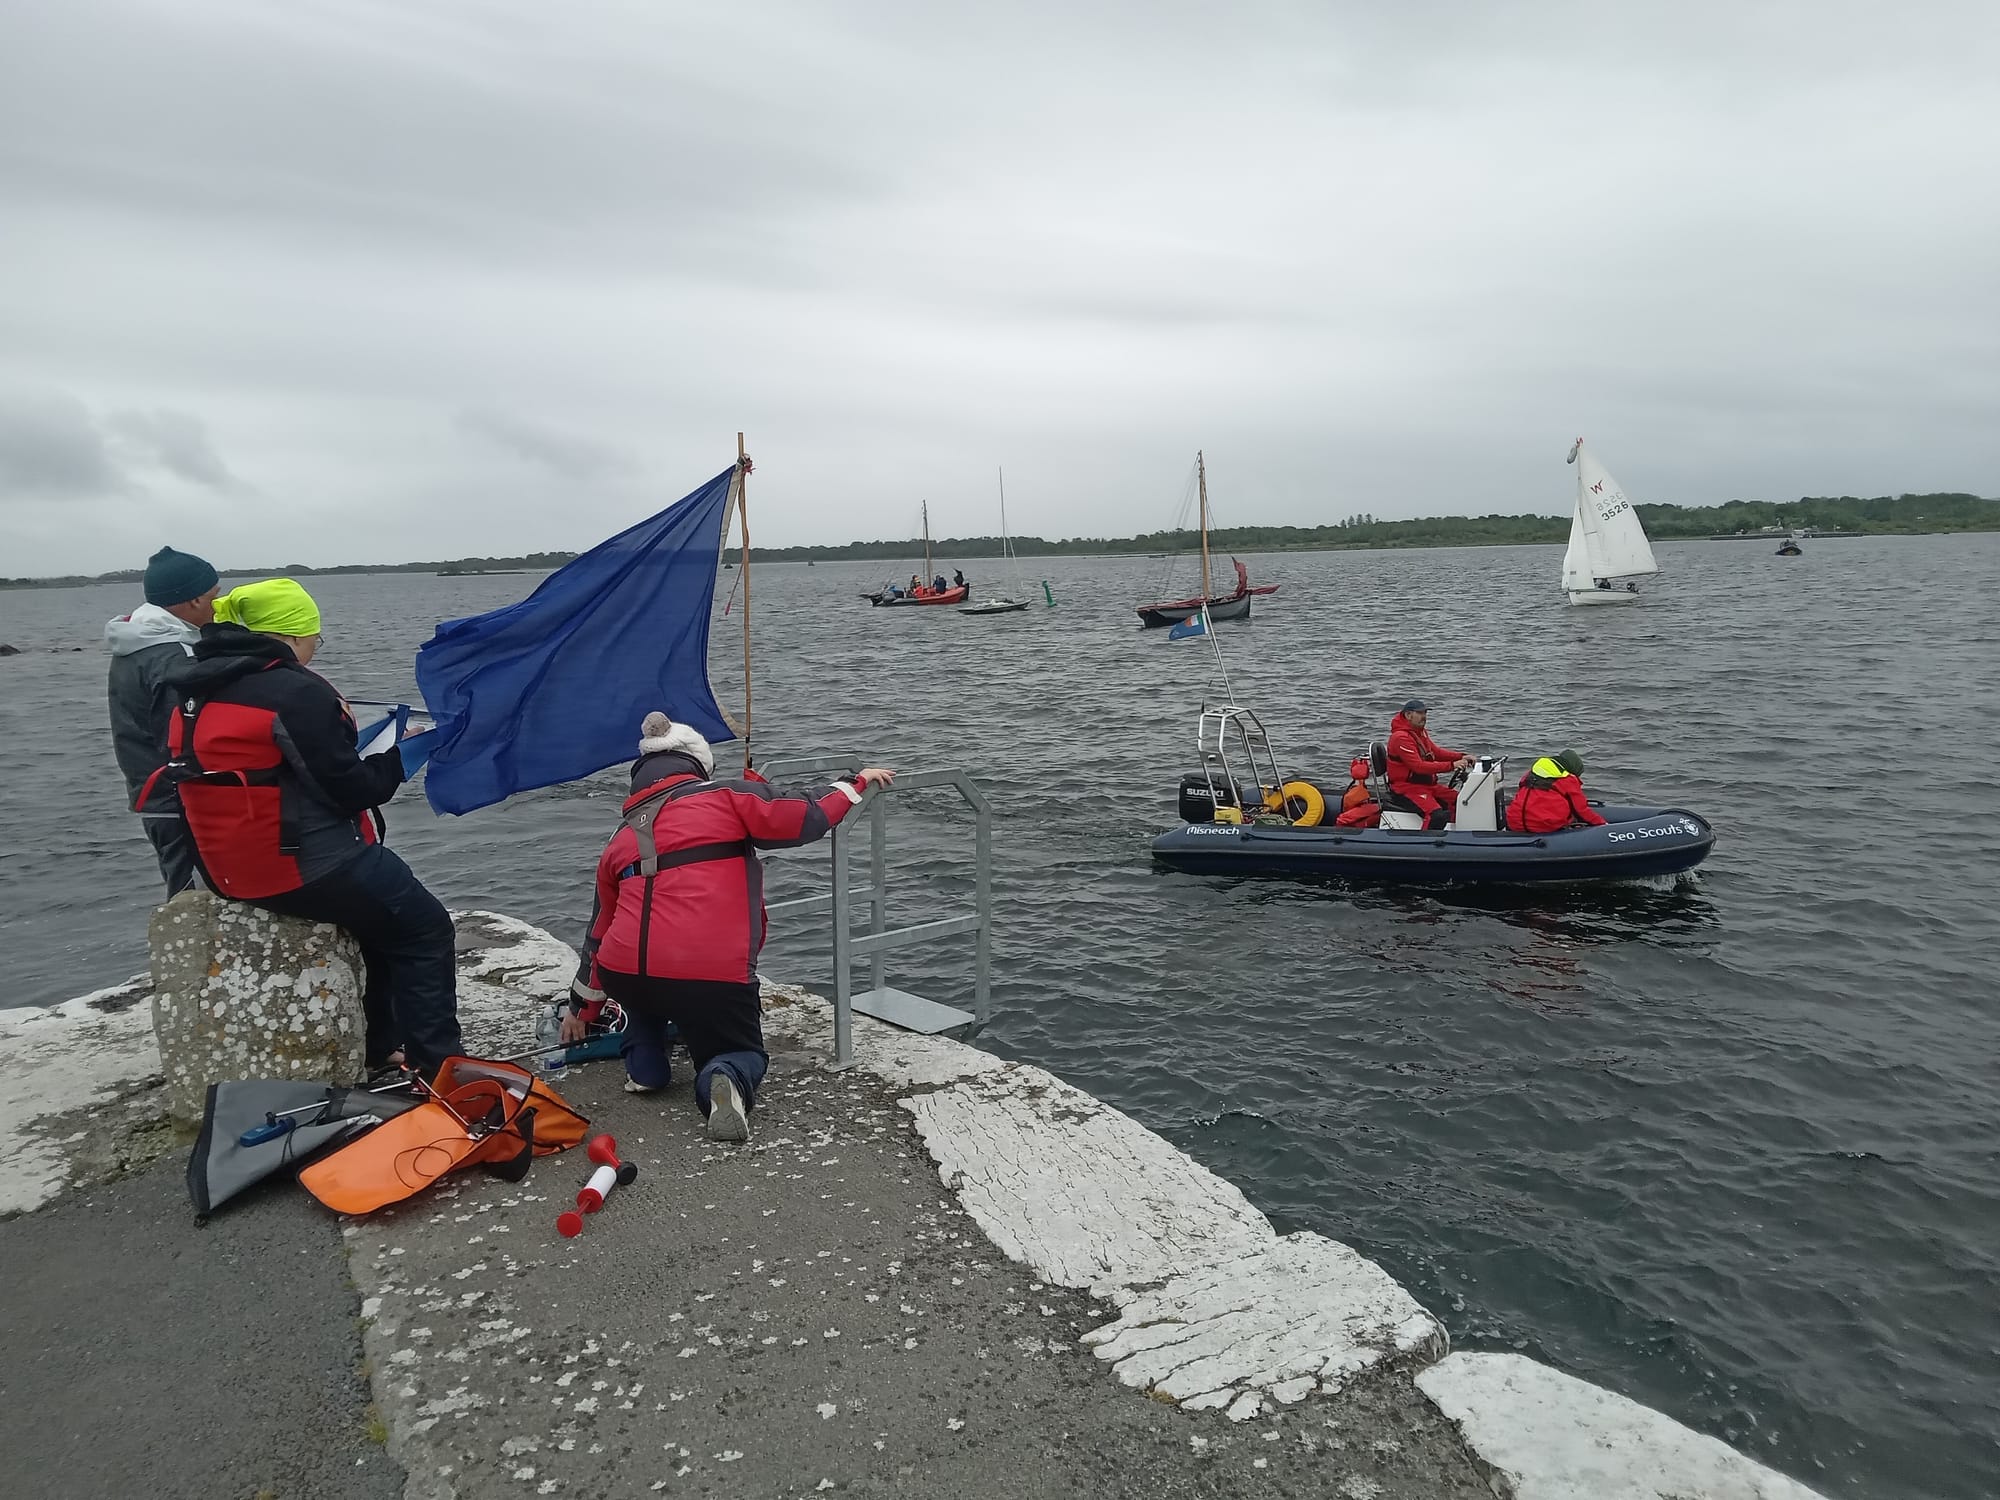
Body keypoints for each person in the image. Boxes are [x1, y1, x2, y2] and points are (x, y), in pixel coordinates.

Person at [153, 579, 461, 1075]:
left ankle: (379, 1046)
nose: (317, 646)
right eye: (315, 636)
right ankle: (441, 1070)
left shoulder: (191, 688)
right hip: (302, 869)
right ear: (293, 636)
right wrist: (403, 758)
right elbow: (355, 790)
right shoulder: (293, 692)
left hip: (224, 870)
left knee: (382, 923)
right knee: (423, 930)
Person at [564, 713, 893, 1142]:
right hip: (709, 974)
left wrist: (581, 1011)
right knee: (739, 1049)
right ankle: (725, 1076)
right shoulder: (725, 796)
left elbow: (598, 930)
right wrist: (856, 782)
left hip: (624, 973)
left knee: (643, 1002)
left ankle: (645, 1067)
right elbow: (804, 815)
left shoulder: (621, 834)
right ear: (698, 765)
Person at [106, 546, 221, 895]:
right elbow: (187, 734)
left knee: (185, 890)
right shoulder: (173, 656)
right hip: (179, 799)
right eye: (214, 596)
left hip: (154, 794)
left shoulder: (138, 642)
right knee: (197, 899)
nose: (219, 604)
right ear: (194, 601)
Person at [1385, 698, 1472, 830]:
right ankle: (1425, 842)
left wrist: (1462, 756)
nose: (1424, 716)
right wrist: (1452, 765)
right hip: (1407, 788)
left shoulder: (1420, 733)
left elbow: (1436, 752)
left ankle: (1458, 834)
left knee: (1459, 800)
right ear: (1408, 715)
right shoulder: (1400, 738)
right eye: (1420, 713)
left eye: (1425, 713)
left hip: (1426, 785)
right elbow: (1418, 767)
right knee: (1437, 815)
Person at [1504, 750, 1608, 834]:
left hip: (1515, 823)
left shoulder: (1530, 774)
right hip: (1544, 828)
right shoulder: (1567, 780)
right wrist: (1604, 826)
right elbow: (1581, 811)